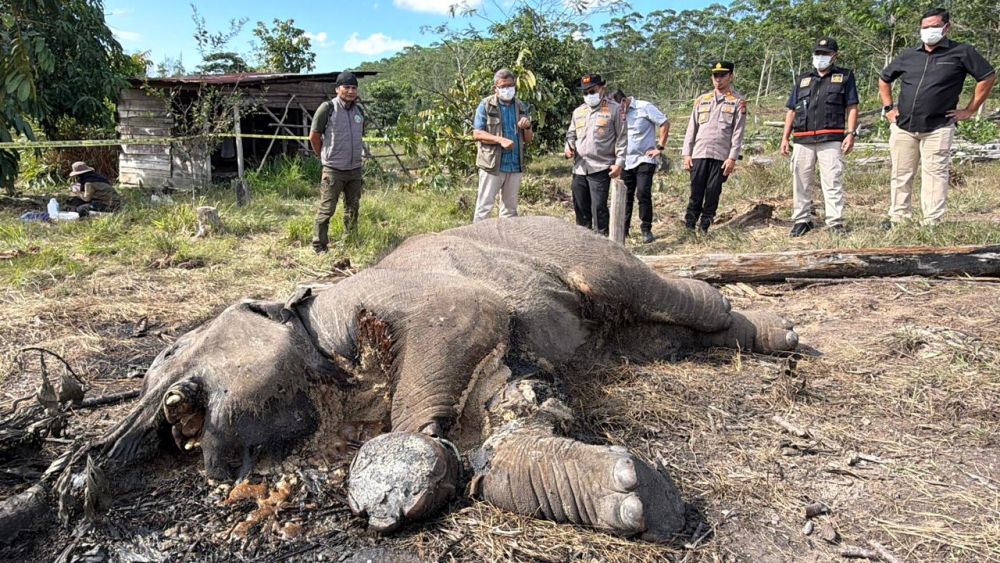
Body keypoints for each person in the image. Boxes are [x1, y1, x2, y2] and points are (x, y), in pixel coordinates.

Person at [879, 8, 996, 227]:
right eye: (925, 27)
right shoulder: (909, 55)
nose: (929, 31)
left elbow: (987, 77)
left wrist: (970, 110)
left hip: (938, 126)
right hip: (903, 126)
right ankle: (898, 218)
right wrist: (888, 108)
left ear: (946, 27)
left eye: (934, 26)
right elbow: (884, 79)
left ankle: (932, 222)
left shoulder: (962, 52)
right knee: (901, 173)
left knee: (935, 174)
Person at [780, 38, 859, 237]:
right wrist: (785, 137)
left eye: (825, 53)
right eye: (818, 53)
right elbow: (791, 110)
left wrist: (850, 133)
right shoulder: (802, 79)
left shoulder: (845, 76)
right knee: (801, 181)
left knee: (832, 180)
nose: (820, 57)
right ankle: (802, 220)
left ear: (834, 56)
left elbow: (852, 106)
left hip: (831, 137)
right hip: (802, 138)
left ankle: (835, 222)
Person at [681, 62, 747, 233]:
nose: (718, 79)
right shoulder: (702, 100)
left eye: (722, 75)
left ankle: (705, 225)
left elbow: (738, 132)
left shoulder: (738, 102)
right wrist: (686, 154)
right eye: (715, 75)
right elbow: (691, 128)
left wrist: (732, 157)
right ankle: (689, 225)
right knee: (696, 191)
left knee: (712, 192)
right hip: (699, 152)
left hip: (721, 155)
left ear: (730, 76)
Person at [309, 71, 365, 253]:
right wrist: (323, 156)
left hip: (355, 169)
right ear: (337, 89)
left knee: (353, 207)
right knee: (327, 209)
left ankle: (350, 240)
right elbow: (314, 136)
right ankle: (319, 246)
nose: (350, 91)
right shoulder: (328, 108)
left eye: (354, 87)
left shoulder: (359, 111)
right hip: (333, 169)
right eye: (346, 87)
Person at [565, 73, 627, 236]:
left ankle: (602, 242)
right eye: (585, 93)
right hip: (579, 168)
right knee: (580, 209)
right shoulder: (578, 111)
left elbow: (622, 138)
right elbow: (571, 134)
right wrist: (568, 146)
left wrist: (619, 163)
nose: (588, 95)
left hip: (600, 167)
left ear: (601, 89)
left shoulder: (614, 109)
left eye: (592, 91)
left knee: (599, 208)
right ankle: (584, 242)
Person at [472, 69, 533, 222]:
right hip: (492, 165)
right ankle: (478, 236)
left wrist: (527, 127)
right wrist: (500, 140)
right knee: (484, 208)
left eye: (510, 86)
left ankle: (506, 237)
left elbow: (528, 139)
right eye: (503, 86)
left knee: (510, 211)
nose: (507, 89)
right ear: (495, 88)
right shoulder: (486, 105)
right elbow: (477, 133)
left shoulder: (521, 106)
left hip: (514, 165)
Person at [612, 89, 669, 244]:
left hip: (645, 159)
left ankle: (646, 229)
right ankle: (623, 230)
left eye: (619, 108)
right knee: (625, 195)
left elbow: (664, 122)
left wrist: (660, 147)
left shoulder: (644, 107)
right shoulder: (616, 113)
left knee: (643, 193)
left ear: (624, 101)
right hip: (625, 161)